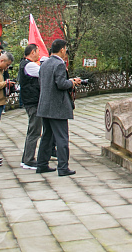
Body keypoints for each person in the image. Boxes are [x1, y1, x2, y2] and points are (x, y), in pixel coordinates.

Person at [35, 39, 82, 177]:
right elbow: (61, 84)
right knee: (62, 137)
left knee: (47, 136)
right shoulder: (59, 64)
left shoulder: (44, 63)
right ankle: (63, 167)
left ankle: (42, 164)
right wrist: (72, 82)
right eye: (65, 49)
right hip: (58, 106)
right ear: (62, 49)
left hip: (45, 105)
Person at [18, 44, 43, 169]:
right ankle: (29, 159)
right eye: (38, 51)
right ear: (32, 52)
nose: (39, 54)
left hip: (30, 100)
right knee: (34, 131)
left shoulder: (24, 64)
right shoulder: (30, 65)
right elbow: (45, 74)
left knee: (33, 131)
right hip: (33, 102)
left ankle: (26, 158)